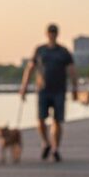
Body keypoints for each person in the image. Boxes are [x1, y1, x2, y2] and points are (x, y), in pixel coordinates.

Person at [19, 24, 78, 162]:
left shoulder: (64, 51)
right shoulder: (40, 50)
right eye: (50, 32)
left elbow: (72, 71)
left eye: (54, 32)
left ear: (57, 34)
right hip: (42, 90)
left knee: (57, 120)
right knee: (40, 119)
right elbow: (30, 68)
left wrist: (75, 88)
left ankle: (55, 148)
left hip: (59, 90)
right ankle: (46, 142)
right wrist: (24, 88)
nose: (52, 34)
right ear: (46, 33)